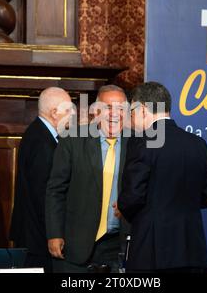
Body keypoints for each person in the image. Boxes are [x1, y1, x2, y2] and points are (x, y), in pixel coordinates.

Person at [117, 82, 207, 272]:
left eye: (132, 111)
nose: (131, 118)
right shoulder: (198, 144)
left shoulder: (142, 142)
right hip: (193, 252)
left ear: (143, 109)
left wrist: (122, 207)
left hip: (152, 253)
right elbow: (206, 197)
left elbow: (133, 197)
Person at [46, 85, 130, 273]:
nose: (114, 114)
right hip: (76, 244)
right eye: (108, 107)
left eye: (120, 108)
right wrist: (54, 233)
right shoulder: (72, 139)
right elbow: (55, 190)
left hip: (118, 245)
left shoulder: (136, 143)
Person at [9, 87, 74, 272]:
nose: (72, 115)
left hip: (35, 235)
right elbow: (43, 195)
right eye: (68, 110)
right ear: (54, 112)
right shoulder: (41, 142)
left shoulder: (40, 134)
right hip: (37, 237)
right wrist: (54, 234)